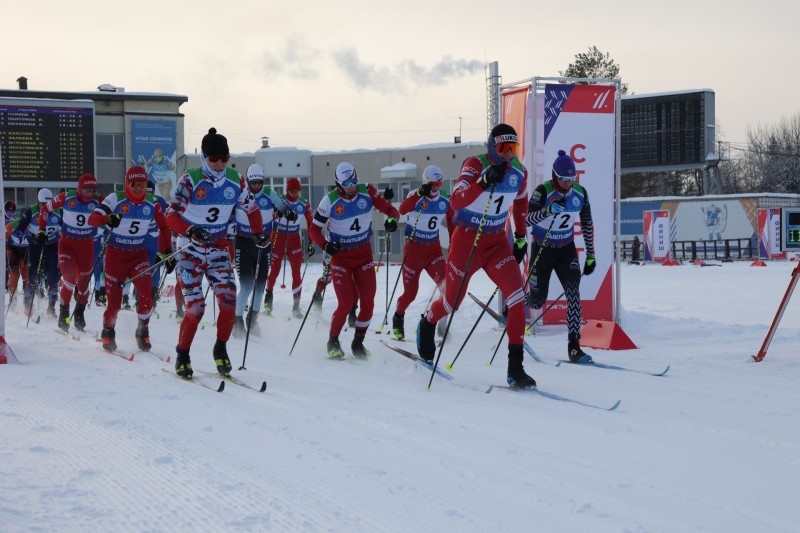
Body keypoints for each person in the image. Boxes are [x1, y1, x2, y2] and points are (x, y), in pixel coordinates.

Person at [416, 124, 534, 387]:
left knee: (517, 299)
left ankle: (515, 368)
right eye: (503, 148)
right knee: (451, 304)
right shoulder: (475, 164)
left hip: (496, 243)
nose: (508, 155)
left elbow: (522, 200)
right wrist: (483, 182)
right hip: (468, 239)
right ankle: (427, 322)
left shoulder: (519, 171)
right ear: (492, 146)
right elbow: (456, 202)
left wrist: (521, 236)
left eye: (513, 149)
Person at [166, 128, 270, 378]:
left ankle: (220, 348)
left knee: (228, 302)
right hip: (189, 250)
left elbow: (252, 209)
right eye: (214, 159)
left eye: (224, 158)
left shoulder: (236, 180)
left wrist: (258, 233)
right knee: (196, 308)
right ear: (204, 158)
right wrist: (190, 230)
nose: (220, 164)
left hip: (217, 249)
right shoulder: (190, 180)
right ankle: (182, 353)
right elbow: (171, 216)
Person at [308, 162, 399, 358]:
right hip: (341, 257)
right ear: (339, 184)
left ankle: (358, 343)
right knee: (346, 303)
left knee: (368, 303)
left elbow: (391, 211)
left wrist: (392, 221)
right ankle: (332, 341)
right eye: (347, 183)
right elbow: (313, 230)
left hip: (364, 254)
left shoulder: (366, 191)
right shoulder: (329, 200)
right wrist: (325, 245)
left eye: (354, 180)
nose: (352, 186)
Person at [524, 149, 596, 364]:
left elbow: (587, 224)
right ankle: (514, 302)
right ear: (555, 176)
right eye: (564, 179)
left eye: (571, 179)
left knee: (573, 294)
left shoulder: (580, 193)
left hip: (566, 249)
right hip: (542, 248)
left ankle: (574, 348)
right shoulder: (542, 191)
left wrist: (591, 255)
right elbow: (526, 221)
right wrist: (547, 212)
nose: (568, 183)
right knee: (537, 300)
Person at [88, 166, 170, 351]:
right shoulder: (115, 198)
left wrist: (167, 251)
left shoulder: (152, 203)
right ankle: (108, 330)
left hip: (138, 255)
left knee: (145, 294)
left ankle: (143, 331)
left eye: (142, 184)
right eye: (134, 185)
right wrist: (107, 219)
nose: (139, 189)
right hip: (115, 255)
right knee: (115, 303)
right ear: (127, 184)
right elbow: (93, 218)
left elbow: (164, 227)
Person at [232, 164, 296, 339]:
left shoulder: (269, 194)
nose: (256, 186)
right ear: (248, 181)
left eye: (259, 182)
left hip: (264, 243)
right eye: (253, 182)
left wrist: (289, 213)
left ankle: (252, 319)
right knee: (246, 284)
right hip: (243, 242)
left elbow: (283, 207)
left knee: (260, 285)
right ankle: (237, 320)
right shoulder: (240, 193)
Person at [391, 165, 454, 340]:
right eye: (433, 183)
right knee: (410, 294)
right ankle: (398, 317)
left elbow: (452, 223)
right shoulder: (415, 195)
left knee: (447, 288)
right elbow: (402, 210)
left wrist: (453, 243)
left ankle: (441, 325)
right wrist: (419, 194)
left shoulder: (444, 200)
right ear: (426, 182)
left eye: (439, 183)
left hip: (433, 250)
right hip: (413, 250)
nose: (436, 187)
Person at [39, 174, 99, 332]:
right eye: (86, 190)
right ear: (79, 188)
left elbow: (116, 213)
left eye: (93, 190)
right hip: (67, 244)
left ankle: (79, 313)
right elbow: (45, 209)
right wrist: (41, 231)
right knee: (70, 278)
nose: (89, 193)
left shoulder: (99, 199)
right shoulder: (66, 197)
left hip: (86, 246)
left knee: (84, 285)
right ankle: (64, 315)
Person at [265, 177, 314, 319]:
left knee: (296, 272)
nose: (295, 194)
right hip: (278, 236)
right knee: (274, 270)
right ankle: (268, 300)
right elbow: (268, 217)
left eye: (297, 191)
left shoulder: (303, 203)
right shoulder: (280, 200)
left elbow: (311, 224)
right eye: (292, 191)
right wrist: (277, 214)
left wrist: (311, 243)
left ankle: (296, 306)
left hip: (294, 239)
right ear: (287, 190)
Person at [14, 188, 61, 318]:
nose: (45, 208)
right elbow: (20, 228)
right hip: (36, 246)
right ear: (38, 202)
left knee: (53, 278)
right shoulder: (32, 210)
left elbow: (66, 227)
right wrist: (23, 236)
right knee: (32, 276)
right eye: (42, 204)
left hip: (52, 247)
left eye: (47, 205)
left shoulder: (58, 211)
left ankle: (51, 307)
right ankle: (28, 305)